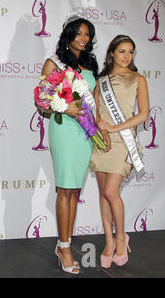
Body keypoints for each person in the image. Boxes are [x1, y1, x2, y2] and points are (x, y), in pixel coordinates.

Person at [38, 15, 101, 274]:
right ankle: (63, 247)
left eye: (87, 34)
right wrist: (65, 107)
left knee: (74, 190)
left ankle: (67, 241)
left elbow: (95, 100)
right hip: (64, 128)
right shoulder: (54, 63)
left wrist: (98, 128)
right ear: (68, 35)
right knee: (65, 188)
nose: (83, 39)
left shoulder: (91, 64)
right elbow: (42, 102)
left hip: (85, 133)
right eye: (78, 33)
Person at [89, 35, 149, 268]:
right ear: (112, 53)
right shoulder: (100, 80)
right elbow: (94, 110)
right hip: (102, 142)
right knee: (104, 192)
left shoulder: (138, 79)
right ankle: (108, 241)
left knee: (112, 192)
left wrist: (114, 127)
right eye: (122, 51)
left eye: (130, 52)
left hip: (123, 140)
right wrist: (100, 128)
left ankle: (122, 237)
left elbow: (143, 115)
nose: (126, 56)